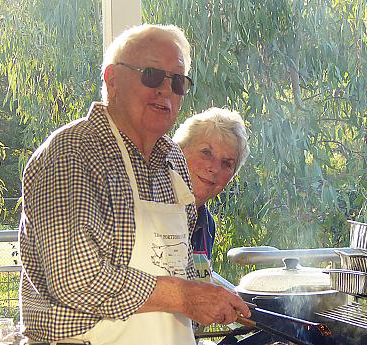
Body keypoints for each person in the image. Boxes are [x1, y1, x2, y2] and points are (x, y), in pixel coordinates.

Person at [18, 24, 250, 345]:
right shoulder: (73, 151)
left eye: (178, 82)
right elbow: (75, 279)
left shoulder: (172, 159)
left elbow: (177, 269)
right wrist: (184, 297)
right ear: (112, 79)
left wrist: (206, 301)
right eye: (152, 75)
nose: (165, 90)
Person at [172, 107, 250, 281]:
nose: (214, 168)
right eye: (206, 153)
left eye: (226, 163)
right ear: (179, 151)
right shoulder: (151, 206)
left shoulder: (207, 224)